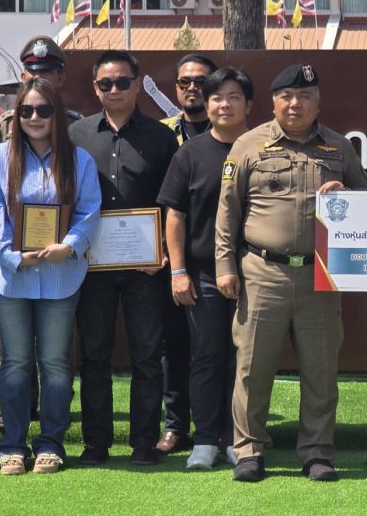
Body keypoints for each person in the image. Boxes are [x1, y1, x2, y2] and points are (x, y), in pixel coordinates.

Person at [215, 63, 367, 483]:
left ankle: (317, 452)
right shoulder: (248, 145)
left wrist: (347, 195)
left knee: (320, 371)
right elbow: (227, 213)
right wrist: (225, 266)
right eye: (286, 96)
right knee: (252, 368)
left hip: (320, 276)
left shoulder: (339, 147)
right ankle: (249, 451)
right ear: (273, 102)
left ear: (318, 102)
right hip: (262, 272)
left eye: (304, 96)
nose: (294, 104)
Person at [0, 78, 101, 475]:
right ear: (16, 115)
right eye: (26, 110)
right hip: (11, 278)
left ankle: (51, 443)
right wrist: (10, 255)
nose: (34, 117)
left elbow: (89, 211)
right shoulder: (0, 157)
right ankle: (12, 445)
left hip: (60, 276)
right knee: (15, 362)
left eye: (43, 110)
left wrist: (70, 245)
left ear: (57, 115)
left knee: (54, 363)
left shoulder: (79, 160)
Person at [70, 50, 177, 466]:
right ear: (95, 87)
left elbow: (173, 201)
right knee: (94, 356)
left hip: (145, 266)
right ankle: (96, 442)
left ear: (137, 84)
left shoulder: (161, 137)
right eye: (105, 83)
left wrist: (163, 248)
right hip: (91, 264)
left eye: (121, 82)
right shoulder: (77, 135)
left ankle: (144, 441)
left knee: (147, 356)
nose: (113, 89)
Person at [158, 68, 252, 469]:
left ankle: (238, 437)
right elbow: (175, 215)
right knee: (206, 356)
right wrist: (178, 271)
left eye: (233, 97)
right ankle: (206, 438)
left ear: (249, 104)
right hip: (203, 275)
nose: (224, 104)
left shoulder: (261, 149)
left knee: (244, 360)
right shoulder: (189, 153)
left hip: (255, 273)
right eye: (217, 98)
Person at [156, 53, 218, 456]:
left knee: (218, 348)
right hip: (169, 259)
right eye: (184, 82)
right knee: (174, 345)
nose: (192, 87)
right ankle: (176, 426)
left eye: (201, 81)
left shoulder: (232, 133)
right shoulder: (160, 134)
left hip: (217, 258)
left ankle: (221, 427)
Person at [0, 35, 82, 140]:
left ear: (60, 79)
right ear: (23, 78)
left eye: (45, 71)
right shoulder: (5, 125)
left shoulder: (76, 125)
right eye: (32, 71)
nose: (37, 77)